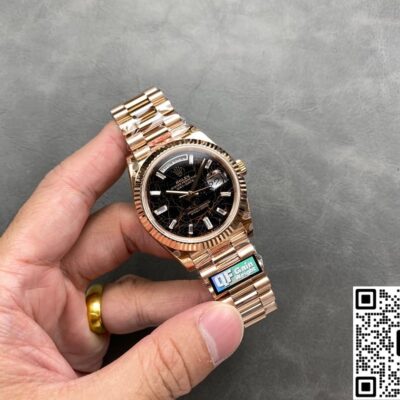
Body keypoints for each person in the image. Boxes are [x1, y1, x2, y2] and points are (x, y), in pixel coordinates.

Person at [0, 122, 244, 399]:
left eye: (193, 191)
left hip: (221, 227)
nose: (190, 196)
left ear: (236, 172)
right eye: (184, 195)